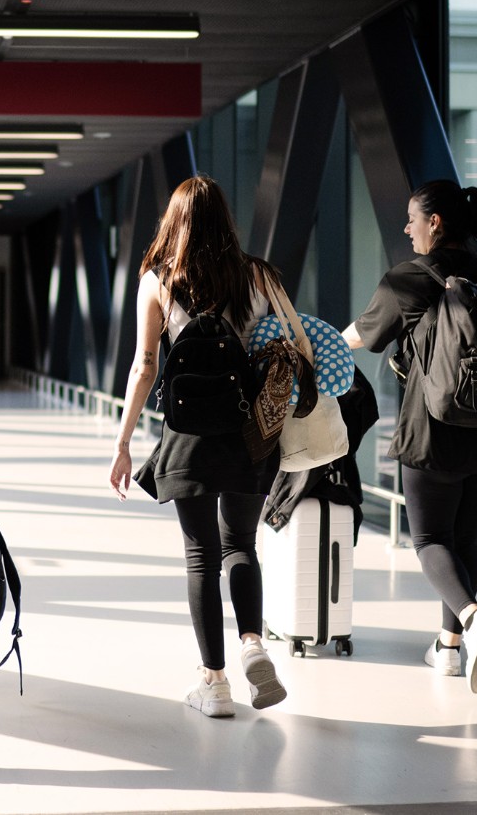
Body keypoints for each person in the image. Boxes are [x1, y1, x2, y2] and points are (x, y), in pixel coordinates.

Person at [108, 174, 287, 718]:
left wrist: (121, 445)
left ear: (174, 221)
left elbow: (144, 367)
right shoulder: (258, 276)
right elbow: (280, 351)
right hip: (249, 436)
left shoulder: (158, 281)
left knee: (200, 556)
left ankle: (215, 683)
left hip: (188, 439)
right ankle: (253, 643)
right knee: (241, 546)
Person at [342, 179, 477, 694]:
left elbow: (364, 334)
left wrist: (316, 341)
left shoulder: (412, 277)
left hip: (435, 434)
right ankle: (447, 649)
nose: (407, 228)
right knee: (464, 539)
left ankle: (469, 616)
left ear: (435, 223)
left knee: (428, 539)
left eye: (412, 219)